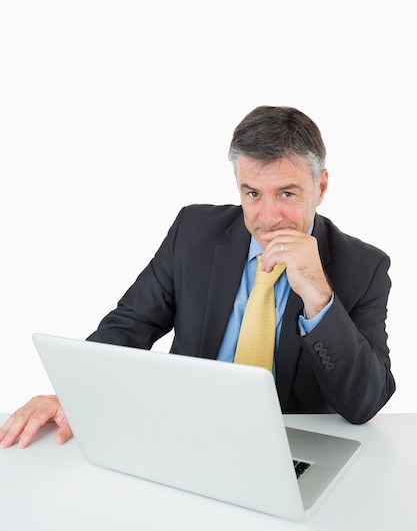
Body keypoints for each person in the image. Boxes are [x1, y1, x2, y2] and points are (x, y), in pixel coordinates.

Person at [0, 106, 396, 449]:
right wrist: (74, 393)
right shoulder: (193, 230)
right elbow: (132, 324)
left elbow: (364, 404)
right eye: (253, 193)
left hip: (292, 444)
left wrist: (317, 296)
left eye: (288, 194)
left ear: (321, 186)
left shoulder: (364, 267)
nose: (269, 217)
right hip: (186, 436)